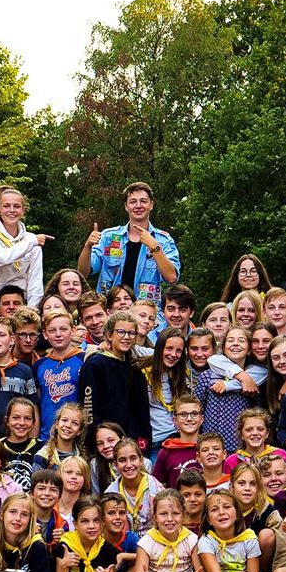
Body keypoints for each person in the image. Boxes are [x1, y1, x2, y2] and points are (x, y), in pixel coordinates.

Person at [79, 181, 181, 307]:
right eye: (133, 202)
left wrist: (155, 248)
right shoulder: (108, 237)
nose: (138, 205)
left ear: (151, 205)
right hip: (110, 310)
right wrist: (87, 246)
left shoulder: (164, 240)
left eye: (143, 201)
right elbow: (83, 273)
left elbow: (171, 278)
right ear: (126, 206)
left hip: (145, 313)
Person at [0, 186, 49, 321]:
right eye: (6, 206)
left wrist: (32, 311)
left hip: (19, 304)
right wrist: (32, 242)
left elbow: (35, 281)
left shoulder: (31, 240)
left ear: (23, 210)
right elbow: (2, 258)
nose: (12, 210)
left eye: (17, 206)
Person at [80, 313, 152, 449]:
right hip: (104, 444)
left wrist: (143, 442)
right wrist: (93, 441)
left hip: (131, 445)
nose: (126, 337)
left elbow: (142, 413)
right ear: (109, 335)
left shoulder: (134, 368)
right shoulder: (95, 365)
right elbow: (88, 409)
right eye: (121, 332)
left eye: (131, 333)